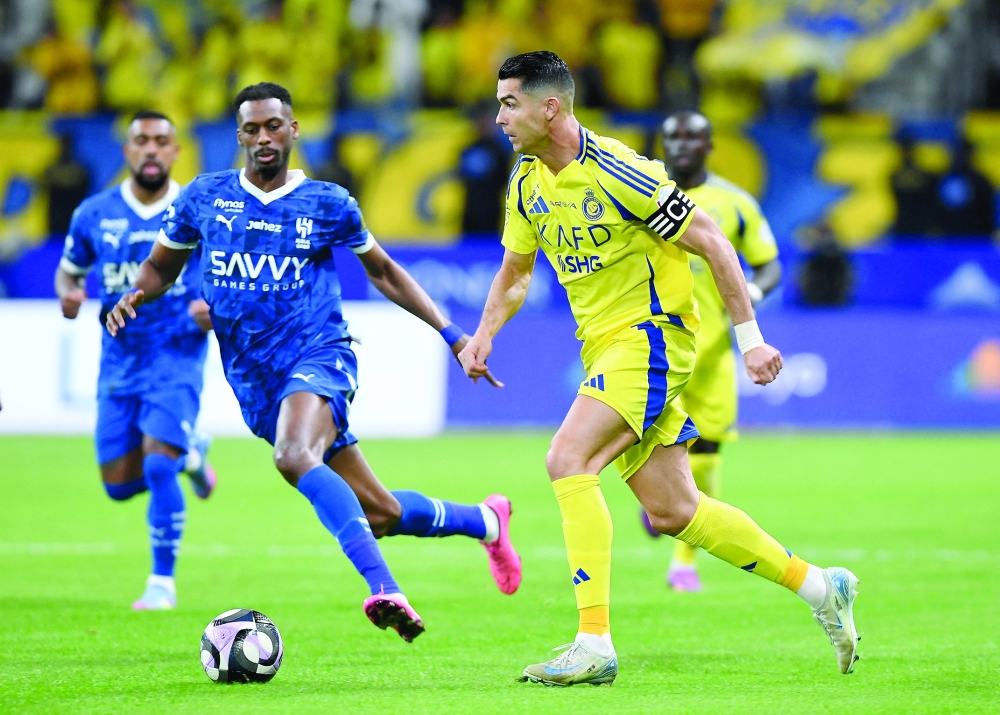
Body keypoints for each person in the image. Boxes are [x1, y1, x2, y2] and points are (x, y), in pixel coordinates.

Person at [459, 51, 861, 686]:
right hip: (606, 349)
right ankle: (820, 587)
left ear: (550, 107)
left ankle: (593, 644)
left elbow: (712, 241)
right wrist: (483, 334)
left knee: (569, 460)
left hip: (653, 339)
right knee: (676, 510)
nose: (499, 116)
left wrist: (751, 337)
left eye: (509, 103)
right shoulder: (524, 182)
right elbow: (515, 273)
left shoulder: (620, 170)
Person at [106, 83, 521, 643]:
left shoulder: (327, 203)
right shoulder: (203, 198)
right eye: (251, 129)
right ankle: (487, 521)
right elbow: (161, 266)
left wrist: (450, 333)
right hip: (255, 382)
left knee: (293, 455)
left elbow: (385, 272)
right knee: (380, 514)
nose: (263, 138)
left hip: (319, 356)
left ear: (293, 129)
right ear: (239, 137)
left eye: (274, 126)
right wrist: (136, 293)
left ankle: (385, 589)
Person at [54, 110, 218, 610]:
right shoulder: (93, 214)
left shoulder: (201, 210)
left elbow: (227, 279)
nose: (151, 149)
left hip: (177, 355)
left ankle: (161, 584)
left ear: (175, 151)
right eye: (141, 141)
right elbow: (68, 273)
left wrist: (212, 307)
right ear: (127, 152)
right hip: (119, 362)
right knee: (119, 487)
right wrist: (69, 295)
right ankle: (192, 452)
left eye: (161, 141)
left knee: (157, 467)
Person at [639, 110, 782, 592]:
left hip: (716, 349)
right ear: (662, 143)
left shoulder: (734, 203)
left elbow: (768, 266)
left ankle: (683, 563)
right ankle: (659, 500)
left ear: (709, 146)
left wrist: (751, 298)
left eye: (692, 137)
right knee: (638, 441)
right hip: (652, 345)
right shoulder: (639, 191)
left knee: (708, 453)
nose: (681, 145)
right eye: (672, 136)